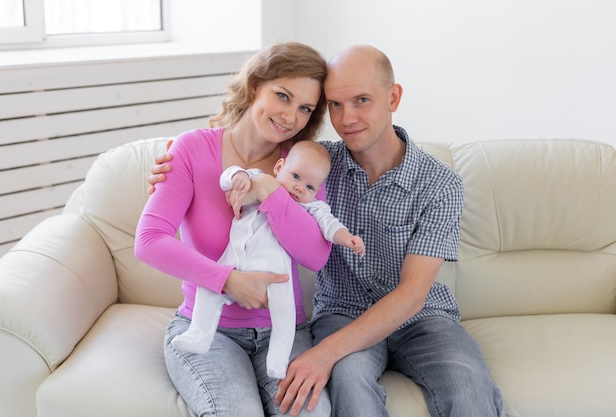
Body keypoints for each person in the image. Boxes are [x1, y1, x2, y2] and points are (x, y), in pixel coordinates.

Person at [149, 44, 503, 417]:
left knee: (469, 390)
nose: (347, 117)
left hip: (420, 317)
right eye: (335, 104)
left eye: (362, 100)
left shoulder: (438, 183)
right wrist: (175, 160)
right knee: (349, 386)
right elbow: (243, 155)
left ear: (393, 97)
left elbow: (410, 292)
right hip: (339, 312)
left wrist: (324, 353)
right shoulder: (316, 163)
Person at [135, 41, 334, 417]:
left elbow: (316, 254)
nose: (291, 116)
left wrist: (271, 192)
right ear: (256, 83)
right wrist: (226, 280)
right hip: (208, 332)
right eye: (283, 96)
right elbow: (149, 242)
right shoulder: (192, 149)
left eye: (304, 108)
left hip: (285, 333)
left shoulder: (300, 165)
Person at [173, 140, 365, 381]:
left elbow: (329, 225)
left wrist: (347, 238)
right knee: (207, 291)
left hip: (275, 276)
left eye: (309, 186)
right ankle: (199, 334)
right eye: (295, 176)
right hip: (232, 263)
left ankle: (277, 358)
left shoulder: (311, 208)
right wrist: (238, 176)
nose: (299, 188)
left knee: (284, 313)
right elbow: (227, 177)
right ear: (279, 167)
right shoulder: (258, 180)